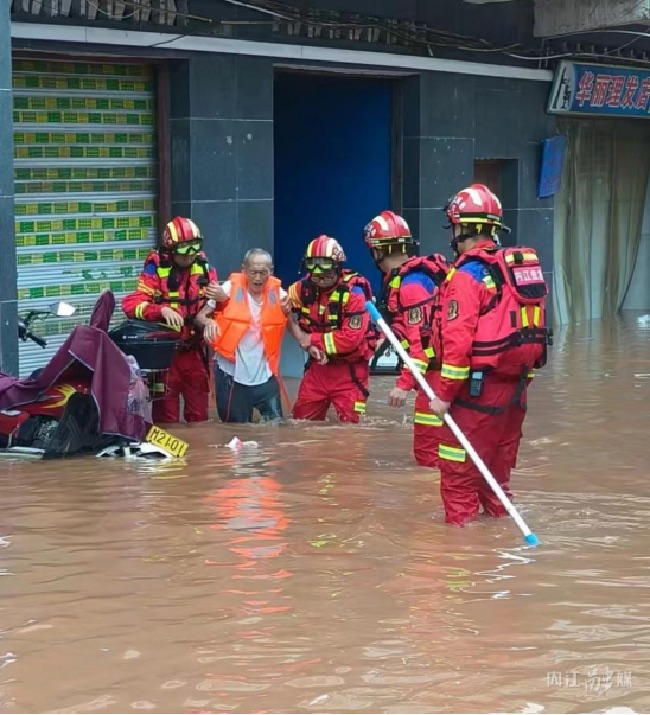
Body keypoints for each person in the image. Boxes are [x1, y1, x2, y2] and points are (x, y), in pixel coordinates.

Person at [426, 183, 551, 526]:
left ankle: (462, 560)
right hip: (516, 392)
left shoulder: (467, 275)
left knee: (458, 477)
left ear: (461, 227)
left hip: (475, 394)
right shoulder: (516, 272)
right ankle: (498, 543)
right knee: (496, 478)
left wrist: (444, 395)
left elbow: (457, 342)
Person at [363, 210, 449, 465]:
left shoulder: (410, 286)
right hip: (443, 373)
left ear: (377, 252)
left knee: (428, 454)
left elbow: (421, 345)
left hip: (436, 377)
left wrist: (403, 385)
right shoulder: (418, 278)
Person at [122, 216, 218, 424]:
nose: (190, 255)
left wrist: (213, 310)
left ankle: (201, 456)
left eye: (195, 247)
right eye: (184, 250)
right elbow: (131, 305)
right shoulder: (155, 268)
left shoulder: (202, 266)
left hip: (194, 352)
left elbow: (214, 302)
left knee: (200, 419)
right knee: (166, 419)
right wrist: (161, 310)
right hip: (165, 356)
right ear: (170, 249)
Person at [195, 249, 290, 423]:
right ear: (244, 270)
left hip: (265, 375)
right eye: (253, 272)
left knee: (278, 429)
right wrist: (209, 323)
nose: (258, 278)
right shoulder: (228, 290)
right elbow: (200, 316)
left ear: (271, 271)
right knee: (236, 432)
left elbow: (289, 320)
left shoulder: (279, 294)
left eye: (264, 273)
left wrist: (302, 336)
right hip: (231, 376)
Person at [287, 235, 375, 423]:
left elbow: (349, 340)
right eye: (313, 265)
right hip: (318, 368)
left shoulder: (354, 294)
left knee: (352, 431)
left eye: (324, 265)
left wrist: (311, 340)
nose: (318, 273)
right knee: (301, 424)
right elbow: (281, 309)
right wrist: (300, 336)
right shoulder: (300, 289)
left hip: (351, 372)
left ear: (337, 265)